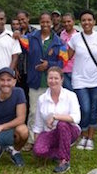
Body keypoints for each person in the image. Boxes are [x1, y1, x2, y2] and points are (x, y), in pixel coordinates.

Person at [20, 12, 67, 151]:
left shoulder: (59, 41)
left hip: (51, 83)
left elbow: (62, 62)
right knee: (34, 111)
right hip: (35, 81)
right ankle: (30, 140)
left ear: (52, 22)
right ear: (39, 22)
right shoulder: (30, 38)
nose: (45, 24)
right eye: (43, 22)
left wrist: (49, 64)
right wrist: (17, 35)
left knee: (52, 112)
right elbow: (18, 44)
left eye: (48, 22)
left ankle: (51, 139)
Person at [32, 67, 81, 173]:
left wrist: (55, 116)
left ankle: (64, 161)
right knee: (39, 151)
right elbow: (38, 123)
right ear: (47, 80)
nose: (53, 81)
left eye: (56, 78)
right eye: (50, 78)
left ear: (62, 79)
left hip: (70, 130)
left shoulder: (71, 96)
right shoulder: (42, 99)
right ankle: (61, 148)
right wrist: (37, 142)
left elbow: (76, 118)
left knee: (62, 124)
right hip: (50, 132)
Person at [67, 10, 97, 151]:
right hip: (79, 79)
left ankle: (90, 138)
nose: (86, 22)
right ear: (80, 23)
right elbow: (67, 57)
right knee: (85, 108)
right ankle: (83, 135)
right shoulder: (75, 38)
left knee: (94, 109)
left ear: (94, 22)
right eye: (83, 20)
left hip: (96, 79)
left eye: (89, 20)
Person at [14, 10, 36, 126]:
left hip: (31, 71)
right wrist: (15, 69)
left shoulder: (35, 32)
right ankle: (20, 122)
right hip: (20, 70)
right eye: (19, 20)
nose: (22, 22)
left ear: (28, 18)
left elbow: (33, 47)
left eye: (23, 19)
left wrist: (21, 37)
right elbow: (14, 53)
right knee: (20, 98)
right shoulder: (14, 33)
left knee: (30, 98)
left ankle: (29, 123)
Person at [59, 13, 77, 91]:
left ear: (73, 21)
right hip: (63, 69)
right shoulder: (61, 34)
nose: (66, 24)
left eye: (69, 21)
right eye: (64, 22)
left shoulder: (78, 35)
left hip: (75, 70)